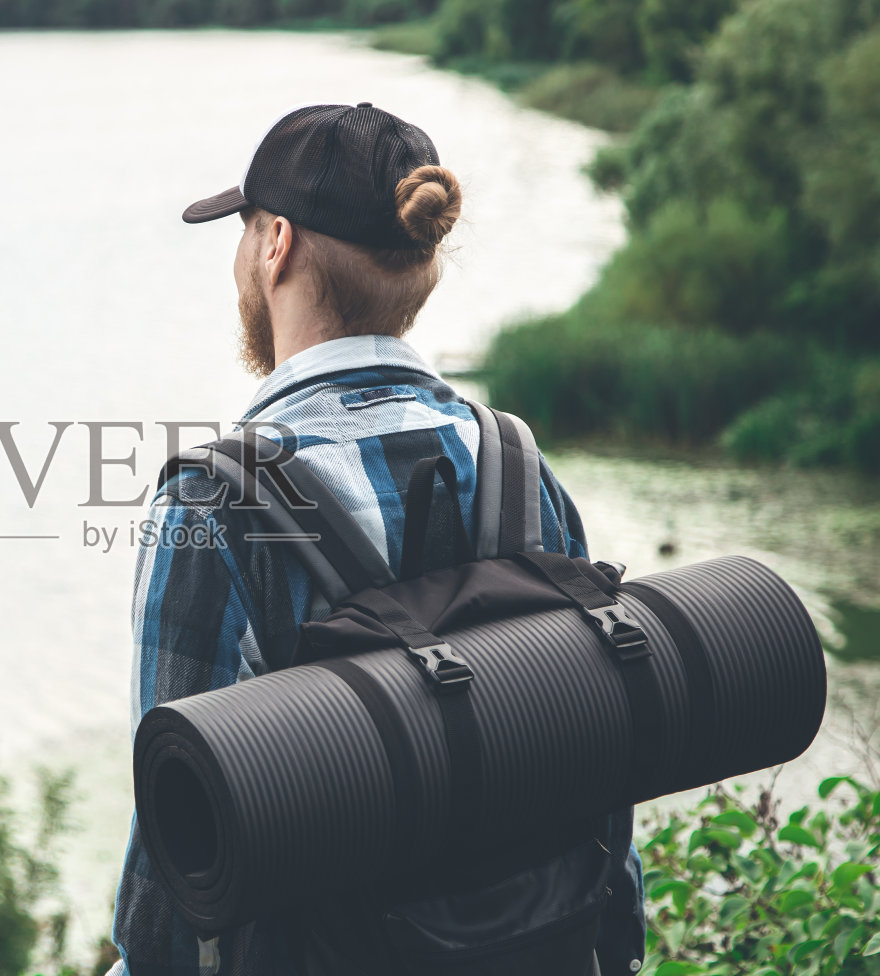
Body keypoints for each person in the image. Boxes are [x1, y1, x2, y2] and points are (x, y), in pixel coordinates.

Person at [107, 102, 646, 975]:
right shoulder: (515, 463)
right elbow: (593, 755)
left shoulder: (211, 505)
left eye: (244, 231)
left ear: (276, 244)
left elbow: (176, 851)